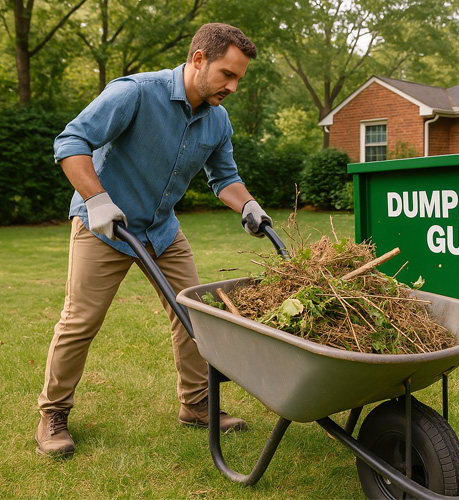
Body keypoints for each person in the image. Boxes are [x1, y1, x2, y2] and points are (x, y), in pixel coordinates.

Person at [36, 23, 271, 457]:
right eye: (227, 74)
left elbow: (225, 179)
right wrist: (98, 199)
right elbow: (71, 141)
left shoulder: (217, 120)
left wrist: (248, 205)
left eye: (239, 78)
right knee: (80, 322)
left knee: (195, 314)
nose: (233, 87)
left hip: (161, 229)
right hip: (104, 226)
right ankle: (53, 413)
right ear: (198, 59)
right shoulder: (136, 93)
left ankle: (197, 405)